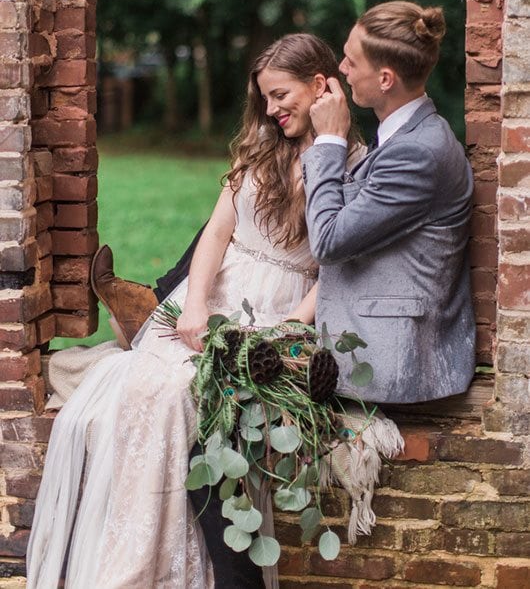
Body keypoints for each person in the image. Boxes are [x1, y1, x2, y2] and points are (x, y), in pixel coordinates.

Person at [27, 34, 364, 589]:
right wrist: (196, 303)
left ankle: (155, 571)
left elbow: (337, 268)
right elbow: (217, 233)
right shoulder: (259, 148)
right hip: (217, 291)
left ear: (321, 85)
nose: (273, 110)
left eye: (282, 96)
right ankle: (129, 556)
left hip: (278, 306)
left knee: (182, 398)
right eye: (265, 100)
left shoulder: (352, 164)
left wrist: (289, 329)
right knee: (142, 387)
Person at [302, 0, 476, 403]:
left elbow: (328, 242)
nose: (341, 70)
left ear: (384, 79)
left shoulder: (418, 152)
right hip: (363, 344)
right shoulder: (406, 138)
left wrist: (329, 139)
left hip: (389, 361)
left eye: (350, 61)